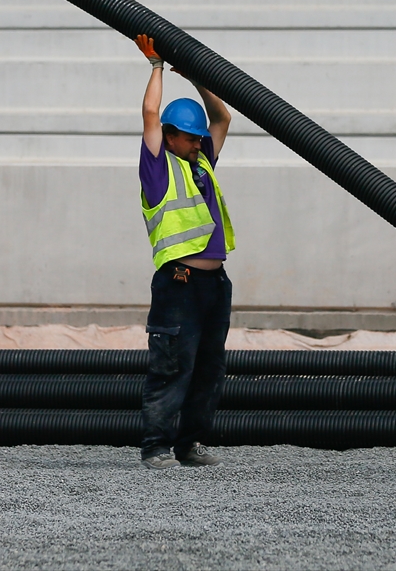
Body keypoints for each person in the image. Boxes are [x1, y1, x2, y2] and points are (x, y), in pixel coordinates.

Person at [134, 33, 235, 469]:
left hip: (214, 284)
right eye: (190, 138)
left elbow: (223, 117)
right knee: (172, 366)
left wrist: (196, 77)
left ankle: (189, 445)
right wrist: (156, 67)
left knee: (209, 370)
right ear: (170, 137)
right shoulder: (158, 168)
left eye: (198, 139)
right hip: (180, 283)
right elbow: (150, 113)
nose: (199, 143)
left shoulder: (201, 162)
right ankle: (156, 446)